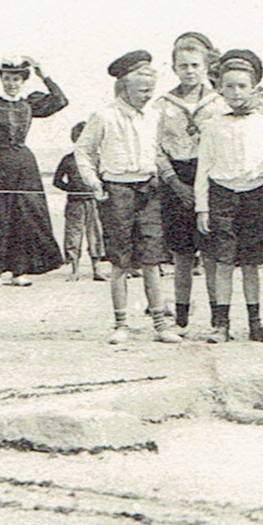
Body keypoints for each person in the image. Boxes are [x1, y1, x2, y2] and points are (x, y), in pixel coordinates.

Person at [77, 50, 177, 342]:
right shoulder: (104, 116)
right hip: (116, 190)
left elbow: (157, 152)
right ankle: (121, 324)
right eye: (141, 90)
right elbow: (83, 151)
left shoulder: (154, 116)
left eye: (151, 90)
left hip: (148, 189)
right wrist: (93, 182)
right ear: (124, 87)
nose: (147, 96)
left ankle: (160, 324)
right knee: (120, 261)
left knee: (151, 259)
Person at [195, 49, 263, 343]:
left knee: (250, 264)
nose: (236, 92)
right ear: (219, 88)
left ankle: (256, 324)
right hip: (221, 197)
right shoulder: (212, 125)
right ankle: (221, 325)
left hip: (255, 197)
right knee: (223, 263)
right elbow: (203, 169)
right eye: (229, 86)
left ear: (254, 88)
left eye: (242, 86)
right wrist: (202, 208)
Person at [0, 57, 68, 286]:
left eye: (16, 79)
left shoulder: (30, 104)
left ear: (23, 80)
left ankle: (19, 271)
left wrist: (43, 74)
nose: (11, 83)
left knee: (24, 217)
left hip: (24, 164)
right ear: (1, 79)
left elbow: (60, 100)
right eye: (7, 79)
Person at [154, 31, 222, 327]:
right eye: (184, 66)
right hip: (176, 179)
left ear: (206, 66)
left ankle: (218, 319)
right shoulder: (163, 105)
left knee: (211, 254)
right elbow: (155, 148)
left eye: (195, 65)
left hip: (210, 177)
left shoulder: (218, 103)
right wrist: (174, 182)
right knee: (182, 254)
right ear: (174, 68)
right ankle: (181, 317)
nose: (190, 71)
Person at [53, 122, 108, 282]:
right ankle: (74, 270)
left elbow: (105, 178)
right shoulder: (68, 159)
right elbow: (57, 181)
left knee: (96, 235)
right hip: (75, 203)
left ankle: (97, 269)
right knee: (73, 235)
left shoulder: (97, 159)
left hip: (94, 202)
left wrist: (100, 191)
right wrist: (71, 189)